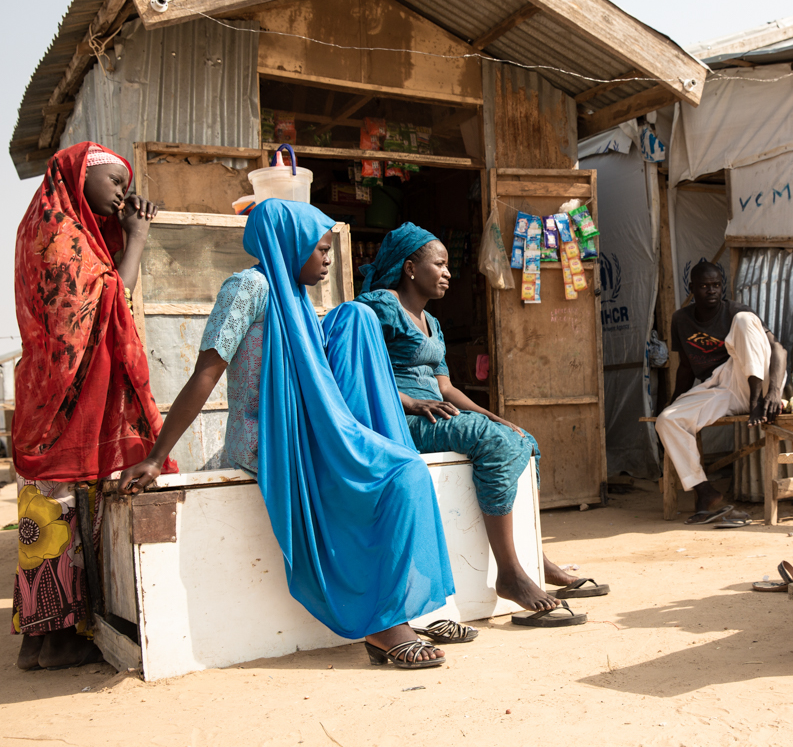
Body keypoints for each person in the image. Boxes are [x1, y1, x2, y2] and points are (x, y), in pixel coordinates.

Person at [120, 200, 463, 669]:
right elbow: (207, 372)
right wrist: (158, 457)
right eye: (319, 249)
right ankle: (383, 625)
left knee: (401, 460)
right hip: (268, 440)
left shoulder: (298, 299)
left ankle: (395, 608)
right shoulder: (249, 287)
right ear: (289, 244)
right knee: (399, 476)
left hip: (308, 428)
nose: (326, 259)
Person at [356, 223, 601, 626]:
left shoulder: (431, 323)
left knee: (523, 439)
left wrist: (492, 415)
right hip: (400, 418)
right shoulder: (381, 307)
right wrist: (412, 402)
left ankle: (533, 557)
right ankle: (509, 574)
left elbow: (446, 387)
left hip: (435, 410)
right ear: (410, 268)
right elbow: (363, 374)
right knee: (497, 444)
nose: (448, 272)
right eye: (440, 264)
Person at [12, 142, 173, 670]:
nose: (125, 192)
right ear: (79, 179)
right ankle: (57, 641)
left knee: (48, 516)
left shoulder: (50, 227)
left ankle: (40, 639)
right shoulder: (62, 239)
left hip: (45, 399)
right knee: (61, 515)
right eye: (115, 181)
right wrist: (138, 237)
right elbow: (111, 300)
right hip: (65, 404)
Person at [655, 260, 788, 524]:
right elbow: (684, 368)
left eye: (716, 285)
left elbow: (779, 350)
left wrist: (772, 393)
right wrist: (673, 403)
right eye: (704, 286)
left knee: (744, 320)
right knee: (667, 421)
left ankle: (755, 402)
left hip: (754, 382)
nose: (711, 290)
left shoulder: (736, 311)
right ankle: (704, 491)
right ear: (691, 288)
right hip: (719, 387)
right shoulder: (681, 319)